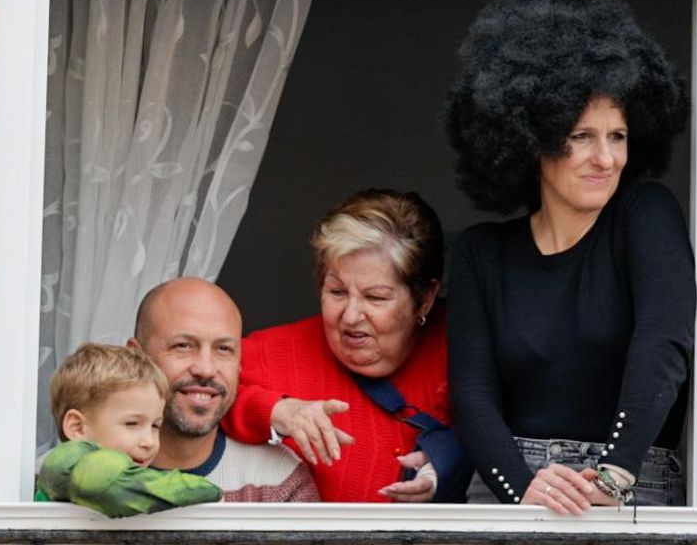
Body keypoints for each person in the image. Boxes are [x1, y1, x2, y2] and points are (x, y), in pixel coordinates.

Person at [443, 0, 695, 514]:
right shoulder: (482, 253)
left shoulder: (643, 214)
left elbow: (664, 344)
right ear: (530, 139)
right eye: (581, 136)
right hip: (508, 485)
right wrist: (522, 487)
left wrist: (615, 473)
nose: (605, 158)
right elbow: (472, 393)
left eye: (618, 136)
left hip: (631, 484)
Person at [222, 189, 471, 503]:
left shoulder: (465, 346)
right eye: (337, 292)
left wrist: (444, 464)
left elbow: (514, 427)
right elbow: (176, 391)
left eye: (375, 297)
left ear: (425, 299)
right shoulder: (273, 353)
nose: (351, 317)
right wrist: (274, 410)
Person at [129, 277, 320, 503]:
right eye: (183, 345)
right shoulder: (84, 472)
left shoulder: (278, 478)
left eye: (223, 349)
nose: (206, 369)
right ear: (136, 357)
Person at [36, 342, 223, 517]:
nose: (149, 442)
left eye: (155, 426)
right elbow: (120, 487)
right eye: (132, 424)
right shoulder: (70, 462)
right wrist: (208, 490)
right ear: (77, 427)